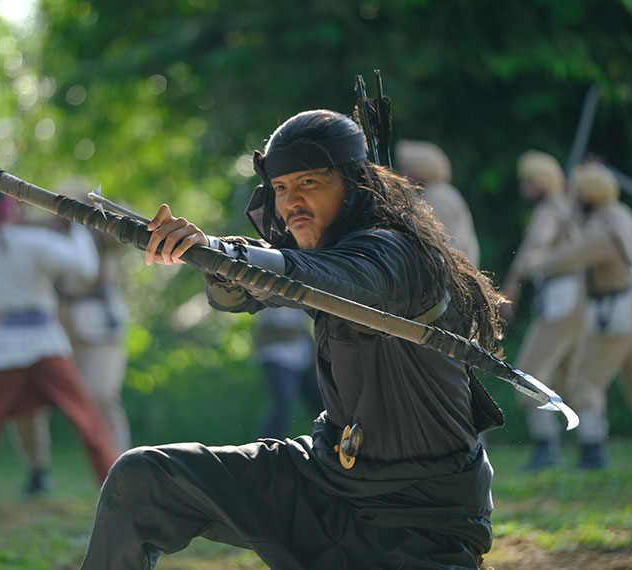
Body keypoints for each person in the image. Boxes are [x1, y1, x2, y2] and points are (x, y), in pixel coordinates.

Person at [79, 109, 506, 569]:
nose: (291, 202)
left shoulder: (397, 255)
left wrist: (226, 253)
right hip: (327, 479)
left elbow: (316, 276)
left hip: (421, 522)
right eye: (280, 188)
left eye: (309, 182)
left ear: (355, 184)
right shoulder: (326, 250)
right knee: (143, 478)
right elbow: (238, 293)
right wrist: (209, 253)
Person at [0, 186, 118, 499]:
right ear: (11, 208)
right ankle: (114, 483)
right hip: (43, 344)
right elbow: (86, 265)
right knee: (87, 420)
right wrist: (76, 222)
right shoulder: (33, 243)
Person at [11, 178, 133, 495]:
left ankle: (121, 472)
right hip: (50, 325)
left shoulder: (101, 229)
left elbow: (132, 231)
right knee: (24, 396)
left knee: (100, 394)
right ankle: (37, 470)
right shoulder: (44, 230)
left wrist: (101, 211)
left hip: (99, 325)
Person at [521, 162, 632, 469]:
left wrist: (535, 264)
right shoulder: (618, 214)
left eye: (577, 192)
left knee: (584, 382)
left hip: (615, 311)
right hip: (629, 305)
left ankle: (593, 451)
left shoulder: (603, 231)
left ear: (589, 195)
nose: (572, 197)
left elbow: (569, 257)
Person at [499, 150, 586, 469]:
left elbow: (536, 246)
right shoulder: (568, 207)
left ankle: (546, 447)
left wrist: (513, 283)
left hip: (562, 298)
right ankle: (592, 447)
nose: (524, 187)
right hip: (577, 298)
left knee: (530, 373)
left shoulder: (549, 211)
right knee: (571, 376)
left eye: (530, 181)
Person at [396, 139, 481, 267]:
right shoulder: (443, 192)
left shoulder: (436, 196)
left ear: (419, 170)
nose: (401, 174)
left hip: (452, 270)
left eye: (405, 169)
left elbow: (442, 242)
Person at [253, 305, 323, 439]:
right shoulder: (268, 300)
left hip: (302, 360)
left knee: (323, 403)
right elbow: (264, 332)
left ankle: (330, 441)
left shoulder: (303, 301)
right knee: (283, 404)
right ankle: (267, 444)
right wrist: (295, 333)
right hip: (276, 358)